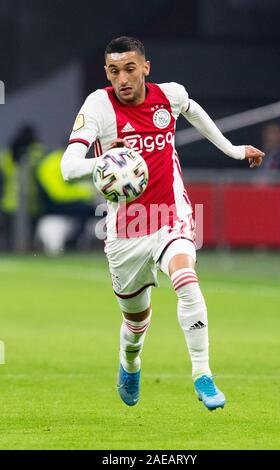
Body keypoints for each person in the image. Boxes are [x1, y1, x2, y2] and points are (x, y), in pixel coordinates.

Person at [61, 36, 265, 411]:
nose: (122, 78)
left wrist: (235, 150)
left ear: (146, 68)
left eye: (130, 69)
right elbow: (68, 166)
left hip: (170, 215)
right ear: (107, 73)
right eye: (113, 70)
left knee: (186, 281)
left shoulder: (169, 96)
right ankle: (130, 363)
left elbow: (195, 112)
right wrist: (107, 162)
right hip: (125, 229)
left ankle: (203, 375)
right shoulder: (98, 105)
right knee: (136, 324)